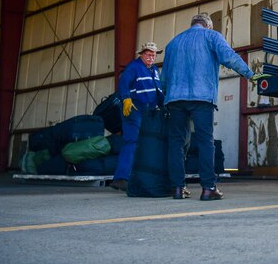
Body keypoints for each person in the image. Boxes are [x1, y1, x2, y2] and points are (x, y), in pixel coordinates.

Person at [161, 13, 259, 200]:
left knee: (176, 143)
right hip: (201, 97)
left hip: (174, 99)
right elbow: (229, 57)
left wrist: (167, 95)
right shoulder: (211, 36)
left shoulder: (173, 43)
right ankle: (208, 188)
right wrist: (249, 74)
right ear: (208, 25)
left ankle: (178, 188)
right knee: (206, 140)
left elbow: (164, 77)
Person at [111, 42, 164, 192]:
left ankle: (136, 177)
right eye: (148, 54)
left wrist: (164, 105)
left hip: (148, 111)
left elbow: (157, 90)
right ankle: (121, 178)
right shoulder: (133, 67)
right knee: (132, 141)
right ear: (141, 54)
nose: (151, 57)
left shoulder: (154, 70)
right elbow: (123, 84)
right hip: (133, 109)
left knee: (145, 143)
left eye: (153, 55)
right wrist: (126, 99)